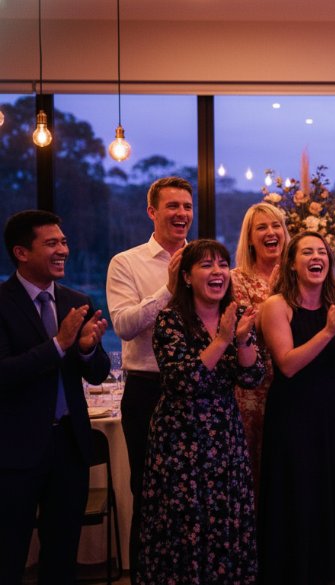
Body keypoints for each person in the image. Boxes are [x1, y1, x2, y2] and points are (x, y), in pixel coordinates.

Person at [136, 240, 264, 585]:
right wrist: (221, 340)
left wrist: (240, 340)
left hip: (224, 434)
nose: (218, 271)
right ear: (188, 277)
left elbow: (252, 376)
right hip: (181, 438)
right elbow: (184, 379)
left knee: (225, 519)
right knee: (183, 521)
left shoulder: (236, 314)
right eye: (206, 265)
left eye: (222, 264)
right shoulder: (170, 319)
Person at [0, 210, 111, 584]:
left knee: (63, 554)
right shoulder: (1, 302)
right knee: (9, 553)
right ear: (21, 252)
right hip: (15, 450)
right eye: (51, 243)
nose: (63, 249)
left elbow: (97, 374)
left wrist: (84, 350)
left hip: (69, 444)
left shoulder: (74, 299)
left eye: (63, 241)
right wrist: (58, 345)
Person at [258, 231, 335, 585]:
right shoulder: (277, 305)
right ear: (292, 262)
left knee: (330, 497)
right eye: (306, 251)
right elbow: (288, 365)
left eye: (321, 251)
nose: (315, 257)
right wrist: (328, 329)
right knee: (297, 497)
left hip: (328, 411)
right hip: (291, 413)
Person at [106, 176, 192, 579]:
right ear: (152, 212)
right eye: (172, 206)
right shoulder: (126, 262)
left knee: (194, 494)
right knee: (149, 493)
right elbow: (123, 326)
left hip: (197, 391)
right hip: (148, 390)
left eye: (187, 207)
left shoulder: (204, 259)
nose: (181, 214)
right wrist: (169, 288)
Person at [230, 202, 290, 490]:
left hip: (292, 384)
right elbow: (245, 328)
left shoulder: (297, 278)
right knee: (253, 470)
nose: (271, 232)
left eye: (276, 225)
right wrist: (276, 294)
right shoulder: (236, 280)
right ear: (250, 238)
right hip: (252, 390)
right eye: (262, 227)